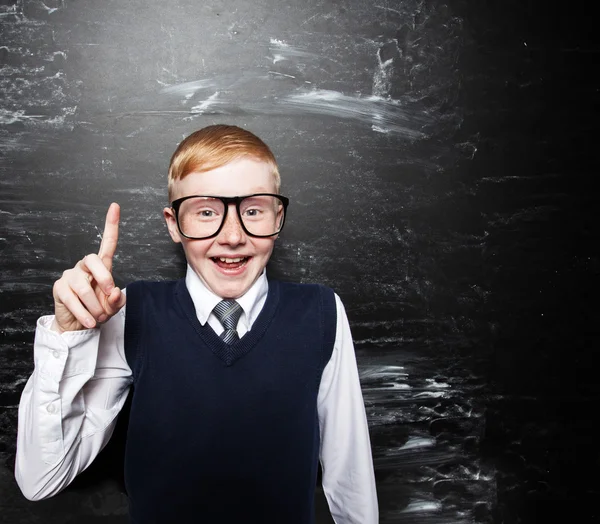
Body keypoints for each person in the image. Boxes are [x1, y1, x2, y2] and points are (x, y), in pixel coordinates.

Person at [15, 124, 378, 523]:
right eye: (207, 212)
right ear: (173, 224)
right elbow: (41, 479)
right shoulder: (130, 311)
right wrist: (70, 335)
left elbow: (350, 478)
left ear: (279, 216)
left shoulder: (321, 312)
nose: (233, 236)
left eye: (253, 210)